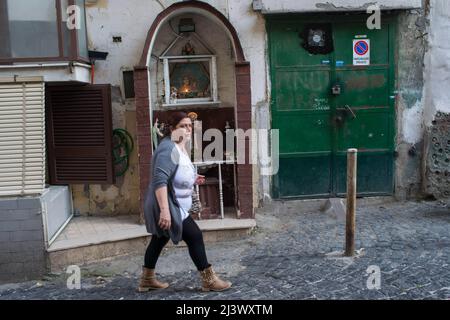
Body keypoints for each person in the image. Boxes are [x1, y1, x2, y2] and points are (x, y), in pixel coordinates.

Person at [139, 111, 232, 292]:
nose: (188, 129)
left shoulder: (179, 146)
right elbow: (159, 181)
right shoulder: (168, 149)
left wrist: (192, 178)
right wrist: (165, 211)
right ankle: (209, 280)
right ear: (172, 129)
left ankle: (147, 280)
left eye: (189, 125)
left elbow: (177, 172)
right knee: (194, 235)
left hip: (174, 204)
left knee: (158, 240)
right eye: (183, 126)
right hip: (167, 205)